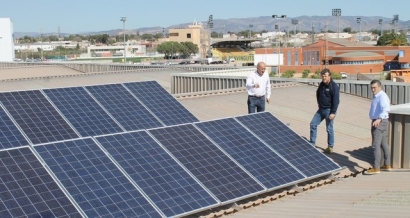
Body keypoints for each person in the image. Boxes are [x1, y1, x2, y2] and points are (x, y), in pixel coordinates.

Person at [309, 68, 340, 153]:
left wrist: (333, 112)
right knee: (313, 124)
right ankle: (312, 143)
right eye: (322, 76)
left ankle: (330, 147)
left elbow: (336, 101)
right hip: (321, 109)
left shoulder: (334, 86)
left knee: (329, 129)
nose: (324, 78)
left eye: (325, 76)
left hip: (329, 110)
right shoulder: (321, 85)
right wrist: (319, 103)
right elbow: (318, 93)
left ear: (329, 76)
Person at [365, 80, 391, 175]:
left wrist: (379, 119)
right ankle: (387, 165)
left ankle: (376, 168)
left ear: (380, 87)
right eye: (371, 87)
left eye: (374, 87)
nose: (372, 89)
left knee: (375, 144)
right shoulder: (377, 96)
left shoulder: (382, 96)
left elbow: (386, 109)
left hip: (379, 121)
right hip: (378, 121)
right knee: (383, 144)